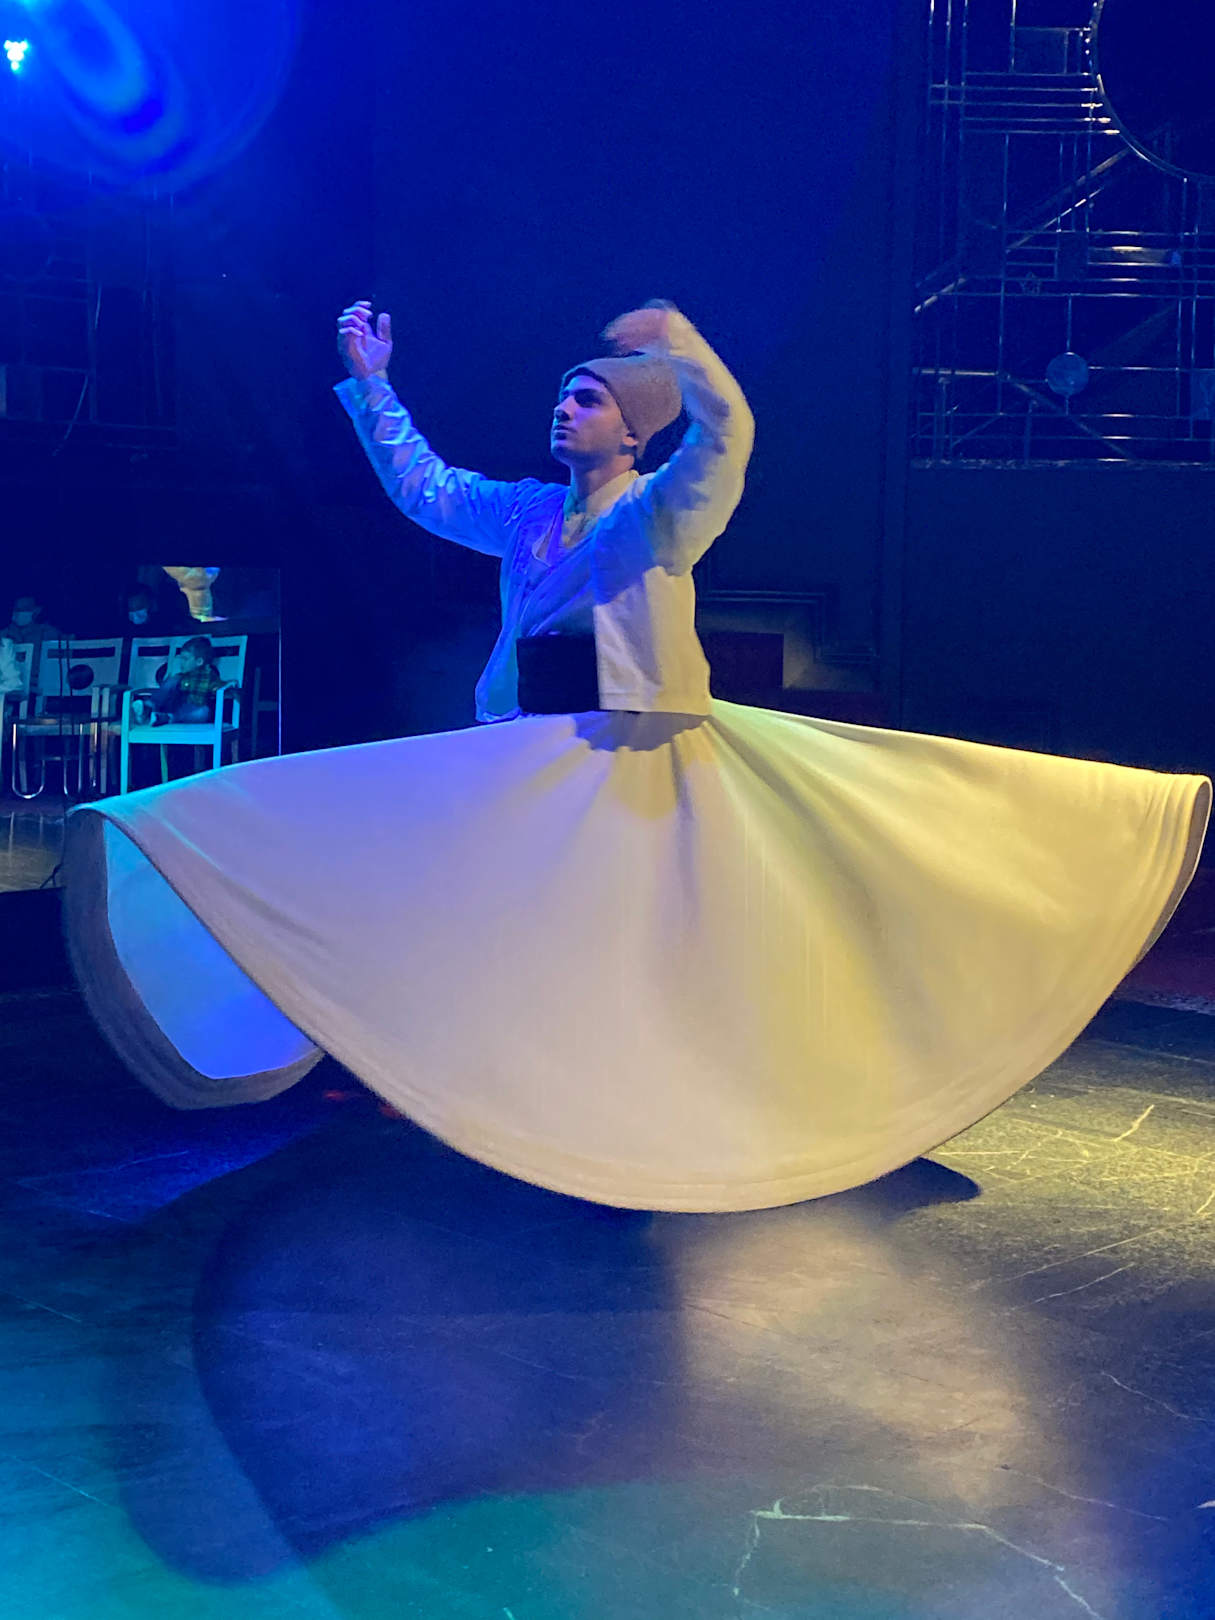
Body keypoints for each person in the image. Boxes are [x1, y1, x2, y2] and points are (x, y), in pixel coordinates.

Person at [59, 297, 1209, 1216]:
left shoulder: (659, 511)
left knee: (647, 946)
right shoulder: (524, 514)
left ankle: (681, 1109)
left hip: (633, 756)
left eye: (589, 397)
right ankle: (470, 1081)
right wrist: (373, 383)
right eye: (563, 395)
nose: (565, 410)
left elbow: (730, 440)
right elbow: (422, 488)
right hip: (531, 754)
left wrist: (685, 348)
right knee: (460, 904)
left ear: (633, 430)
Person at [130, 637, 223, 726]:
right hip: (174, 706)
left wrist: (218, 688)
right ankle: (148, 707)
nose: (181, 662)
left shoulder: (210, 677)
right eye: (181, 658)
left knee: (204, 712)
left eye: (185, 659)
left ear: (199, 661)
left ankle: (164, 718)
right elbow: (169, 693)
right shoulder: (180, 677)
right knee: (172, 681)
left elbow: (219, 687)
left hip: (191, 710)